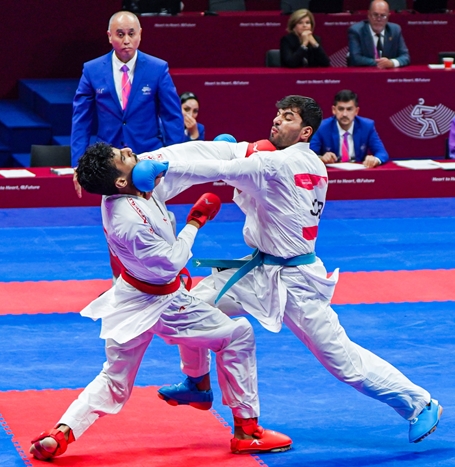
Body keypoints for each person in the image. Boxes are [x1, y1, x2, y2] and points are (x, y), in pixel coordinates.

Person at [133, 95, 443, 445]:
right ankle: (198, 382)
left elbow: (216, 170)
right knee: (193, 305)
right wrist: (234, 155)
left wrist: (162, 167)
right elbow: (254, 179)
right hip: (259, 268)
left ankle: (421, 403)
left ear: (305, 131)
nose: (277, 120)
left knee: (344, 363)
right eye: (278, 114)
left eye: (288, 117)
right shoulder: (308, 163)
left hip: (296, 282)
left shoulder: (276, 164)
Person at [29, 143, 292, 461]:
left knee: (114, 377)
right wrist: (195, 222)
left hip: (129, 293)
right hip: (162, 301)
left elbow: (182, 156)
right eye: (123, 156)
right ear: (120, 181)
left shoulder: (135, 179)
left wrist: (238, 151)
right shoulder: (128, 221)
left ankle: (61, 432)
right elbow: (171, 262)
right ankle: (247, 432)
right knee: (238, 335)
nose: (130, 150)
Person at [69, 10, 185, 167]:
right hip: (108, 159)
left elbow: (172, 117)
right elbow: (81, 121)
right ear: (110, 36)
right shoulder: (92, 70)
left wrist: (176, 162)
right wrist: (78, 165)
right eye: (120, 34)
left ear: (140, 34)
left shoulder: (157, 69)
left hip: (148, 157)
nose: (126, 40)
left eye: (131, 34)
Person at [310, 89, 388, 167]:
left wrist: (375, 160)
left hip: (358, 172)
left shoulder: (367, 126)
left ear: (356, 111)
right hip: (332, 173)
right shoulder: (322, 127)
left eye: (349, 109)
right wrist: (321, 158)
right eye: (341, 109)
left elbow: (382, 153)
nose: (345, 114)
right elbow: (310, 154)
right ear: (334, 110)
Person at [347, 0, 410, 69]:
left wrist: (392, 63)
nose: (379, 19)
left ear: (388, 17)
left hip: (389, 74)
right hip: (364, 73)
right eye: (375, 15)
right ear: (369, 15)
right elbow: (356, 58)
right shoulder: (356, 31)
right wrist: (382, 64)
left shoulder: (395, 30)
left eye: (383, 15)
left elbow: (405, 56)